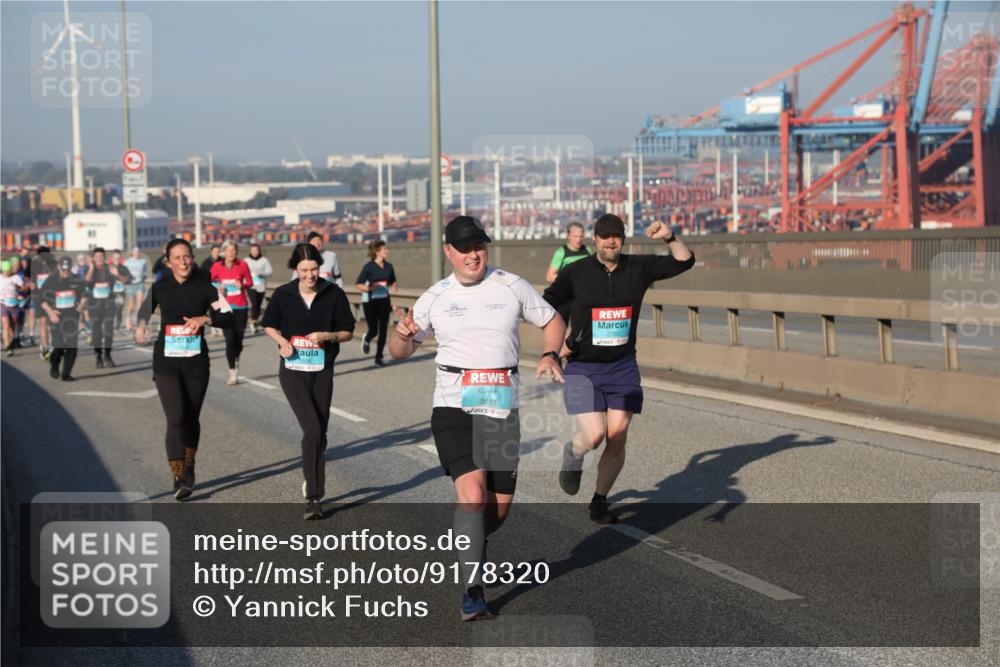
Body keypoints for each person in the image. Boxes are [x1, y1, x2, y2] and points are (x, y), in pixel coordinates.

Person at [389, 215, 565, 621]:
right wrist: (401, 335)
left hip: (500, 405)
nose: (474, 254)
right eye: (465, 248)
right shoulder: (434, 297)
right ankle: (473, 591)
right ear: (448, 251)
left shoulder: (511, 284)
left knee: (496, 511)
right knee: (471, 494)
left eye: (479, 246)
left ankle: (472, 546)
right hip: (453, 404)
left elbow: (553, 320)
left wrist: (550, 353)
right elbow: (402, 351)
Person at [543, 214, 695, 524]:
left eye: (617, 236)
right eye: (605, 236)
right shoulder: (576, 272)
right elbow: (547, 307)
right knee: (595, 435)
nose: (611, 241)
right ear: (595, 240)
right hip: (583, 368)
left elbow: (684, 262)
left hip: (622, 367)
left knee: (618, 434)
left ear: (622, 239)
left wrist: (669, 236)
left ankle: (599, 501)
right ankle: (573, 453)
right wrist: (557, 346)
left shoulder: (638, 268)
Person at [135, 239, 234, 500]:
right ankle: (178, 476)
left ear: (192, 258)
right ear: (168, 262)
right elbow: (144, 309)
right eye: (177, 258)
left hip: (195, 363)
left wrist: (205, 319)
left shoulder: (205, 287)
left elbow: (229, 316)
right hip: (166, 361)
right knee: (176, 418)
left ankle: (190, 463)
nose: (183, 262)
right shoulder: (160, 286)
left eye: (187, 257)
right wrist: (141, 325)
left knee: (191, 417)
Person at [262, 243, 355, 519]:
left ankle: (310, 476)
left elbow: (348, 331)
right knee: (312, 430)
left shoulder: (333, 294)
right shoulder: (283, 294)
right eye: (304, 270)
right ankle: (314, 497)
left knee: (320, 433)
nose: (310, 275)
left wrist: (327, 336)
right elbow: (269, 324)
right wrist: (281, 342)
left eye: (314, 269)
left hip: (322, 370)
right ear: (295, 270)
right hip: (292, 370)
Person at [209, 241, 253, 386]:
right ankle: (232, 372)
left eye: (234, 250)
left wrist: (243, 285)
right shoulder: (217, 266)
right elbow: (207, 282)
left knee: (239, 341)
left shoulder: (242, 264)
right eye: (228, 250)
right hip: (225, 307)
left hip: (241, 307)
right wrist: (217, 287)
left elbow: (250, 281)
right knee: (230, 340)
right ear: (224, 252)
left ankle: (236, 359)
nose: (231, 253)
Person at [41, 256, 87, 381]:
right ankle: (54, 365)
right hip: (57, 318)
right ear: (59, 267)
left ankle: (66, 374)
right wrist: (50, 312)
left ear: (71, 268)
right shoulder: (51, 281)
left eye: (67, 270)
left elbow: (84, 295)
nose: (65, 272)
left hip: (72, 317)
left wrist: (82, 305)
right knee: (58, 347)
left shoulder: (77, 280)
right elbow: (41, 299)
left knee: (72, 347)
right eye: (63, 269)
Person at [84, 247, 130, 368]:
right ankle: (98, 356)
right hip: (94, 306)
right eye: (97, 257)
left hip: (109, 305)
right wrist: (91, 268)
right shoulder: (90, 270)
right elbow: (85, 283)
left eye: (101, 257)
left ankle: (107, 356)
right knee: (97, 333)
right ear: (93, 258)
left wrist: (117, 274)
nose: (99, 259)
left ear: (104, 258)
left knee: (109, 332)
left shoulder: (110, 269)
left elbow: (126, 280)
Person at [355, 240, 397, 367]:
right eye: (385, 249)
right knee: (373, 330)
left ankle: (378, 357)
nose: (387, 251)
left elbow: (392, 281)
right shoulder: (368, 267)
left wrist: (394, 286)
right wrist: (371, 288)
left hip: (384, 301)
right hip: (370, 302)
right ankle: (367, 338)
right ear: (377, 252)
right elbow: (358, 284)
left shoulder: (389, 266)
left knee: (383, 330)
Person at [30, 247, 57, 359]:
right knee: (43, 322)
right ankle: (45, 349)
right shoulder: (34, 265)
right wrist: (32, 285)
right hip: (39, 297)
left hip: (53, 297)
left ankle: (55, 346)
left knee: (54, 324)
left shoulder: (54, 264)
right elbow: (30, 281)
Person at [244, 243, 273, 333]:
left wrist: (261, 273)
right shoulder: (246, 260)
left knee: (258, 305)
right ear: (250, 251)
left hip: (261, 286)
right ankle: (253, 323)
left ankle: (254, 320)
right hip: (250, 286)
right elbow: (242, 271)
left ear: (259, 250)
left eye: (256, 250)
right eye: (253, 250)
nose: (254, 252)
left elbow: (270, 272)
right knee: (254, 303)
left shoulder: (264, 260)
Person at [1, 259, 26, 357]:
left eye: (8, 271)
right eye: (5, 271)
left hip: (13, 304)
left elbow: (24, 289)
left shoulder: (16, 278)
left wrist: (18, 288)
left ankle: (10, 343)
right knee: (6, 325)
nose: (6, 273)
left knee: (12, 326)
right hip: (2, 303)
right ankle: (7, 347)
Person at [124, 247, 149, 331]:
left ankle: (139, 323)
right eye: (135, 252)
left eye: (138, 252)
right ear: (132, 253)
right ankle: (128, 319)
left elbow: (146, 272)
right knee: (131, 305)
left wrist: (143, 277)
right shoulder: (127, 262)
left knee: (140, 304)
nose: (136, 253)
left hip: (140, 284)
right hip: (130, 285)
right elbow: (123, 272)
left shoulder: (143, 261)